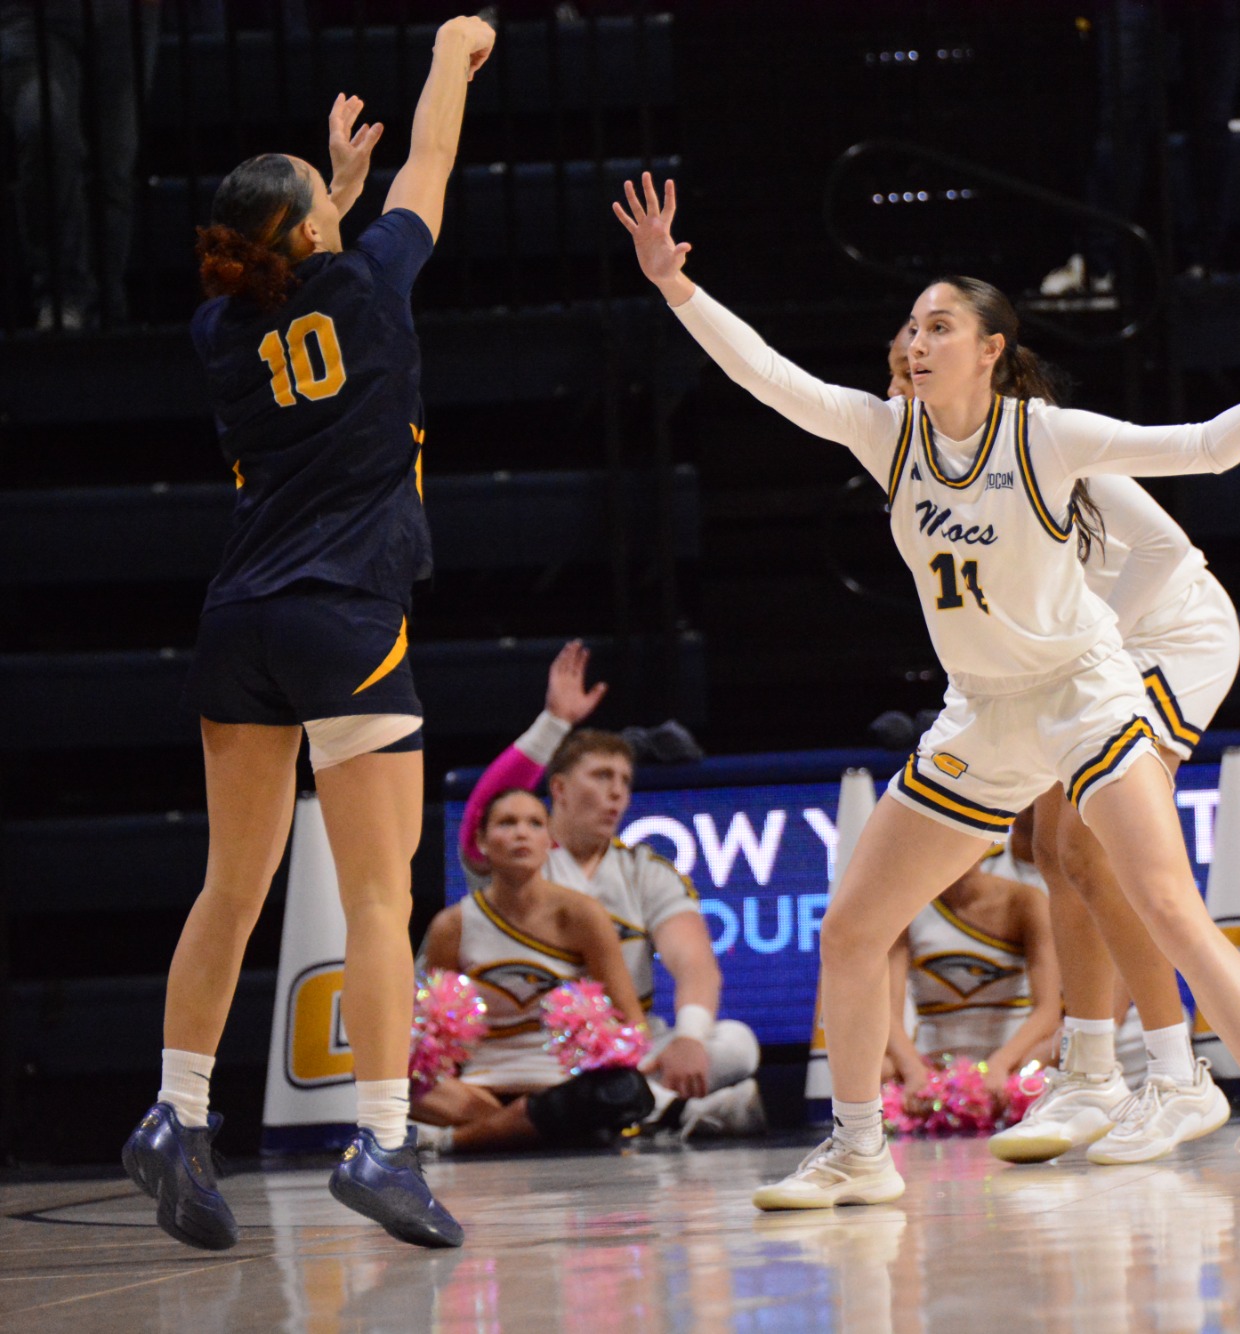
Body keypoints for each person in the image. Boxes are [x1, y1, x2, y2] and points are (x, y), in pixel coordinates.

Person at [616, 171, 1240, 1206]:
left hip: (1084, 690)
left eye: (940, 326)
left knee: (1164, 900)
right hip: (981, 712)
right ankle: (859, 1151)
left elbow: (1201, 452)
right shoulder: (889, 434)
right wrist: (675, 287)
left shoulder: (1043, 434)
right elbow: (766, 376)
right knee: (851, 926)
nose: (917, 342)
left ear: (991, 349)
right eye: (912, 326)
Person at [120, 16, 494, 1252]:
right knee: (378, 896)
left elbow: (292, 268)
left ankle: (176, 1113)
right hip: (347, 615)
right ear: (318, 235)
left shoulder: (218, 331)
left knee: (232, 885)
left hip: (240, 619)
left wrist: (326, 190)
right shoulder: (371, 278)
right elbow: (431, 160)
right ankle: (382, 1140)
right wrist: (450, 54)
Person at [992, 474, 1240, 1166]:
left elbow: (1166, 545)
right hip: (1083, 653)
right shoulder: (933, 477)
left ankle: (1176, 1073)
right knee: (1052, 851)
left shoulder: (1051, 444)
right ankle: (1092, 1073)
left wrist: (1094, 647)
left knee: (1088, 846)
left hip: (1168, 632)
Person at [459, 641, 764, 1134]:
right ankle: (672, 1111)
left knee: (735, 1042)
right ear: (558, 788)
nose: (617, 791)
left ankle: (621, 1107)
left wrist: (689, 1037)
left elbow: (694, 964)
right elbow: (485, 808)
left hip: (627, 1052)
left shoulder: (646, 870)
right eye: (602, 776)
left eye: (624, 779)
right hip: (527, 1054)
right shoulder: (512, 854)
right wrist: (554, 724)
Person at [415, 790, 661, 1153]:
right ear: (481, 841)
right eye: (506, 823)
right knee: (388, 1079)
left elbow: (632, 1022)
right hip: (476, 1093)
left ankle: (458, 1140)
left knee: (625, 1090)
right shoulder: (451, 926)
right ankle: (521, 1128)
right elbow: (431, 1041)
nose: (521, 833)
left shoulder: (583, 914)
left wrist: (614, 1051)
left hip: (564, 1090)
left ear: (550, 841)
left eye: (534, 824)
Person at [0, 0, 160, 329]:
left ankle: (104, 308)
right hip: (27, 14)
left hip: (124, 13)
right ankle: (64, 298)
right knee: (45, 128)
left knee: (113, 165)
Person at [883, 861, 1063, 1101]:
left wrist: (1000, 1064)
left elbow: (1048, 1011)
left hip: (1015, 1063)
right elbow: (886, 1014)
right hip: (933, 1066)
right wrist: (913, 1070)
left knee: (1065, 1042)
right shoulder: (906, 905)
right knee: (875, 1067)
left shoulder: (1026, 900)